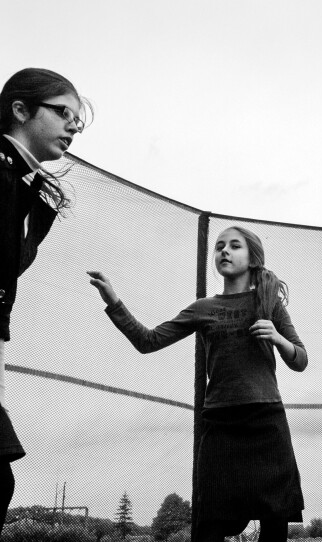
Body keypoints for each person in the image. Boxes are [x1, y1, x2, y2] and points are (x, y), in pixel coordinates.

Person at [88, 226, 307, 542]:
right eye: (219, 246)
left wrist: (277, 337)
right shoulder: (203, 308)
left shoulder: (269, 303)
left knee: (275, 520)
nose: (224, 251)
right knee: (210, 524)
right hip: (221, 424)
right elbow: (147, 341)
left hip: (266, 422)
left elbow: (300, 359)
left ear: (253, 257)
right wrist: (114, 302)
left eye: (234, 246)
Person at [0, 68, 88, 534]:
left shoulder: (21, 181)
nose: (73, 126)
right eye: (62, 113)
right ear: (20, 110)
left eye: (77, 119)